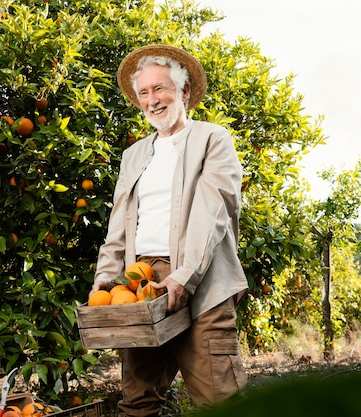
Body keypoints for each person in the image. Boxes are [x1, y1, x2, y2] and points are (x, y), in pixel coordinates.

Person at [90, 44, 248, 417]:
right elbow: (119, 225)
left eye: (161, 88)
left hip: (203, 281)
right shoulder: (134, 155)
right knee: (137, 401)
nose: (153, 100)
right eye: (144, 92)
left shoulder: (212, 140)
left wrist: (183, 276)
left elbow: (211, 214)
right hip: (141, 286)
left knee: (220, 400)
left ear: (184, 92)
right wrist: (106, 278)